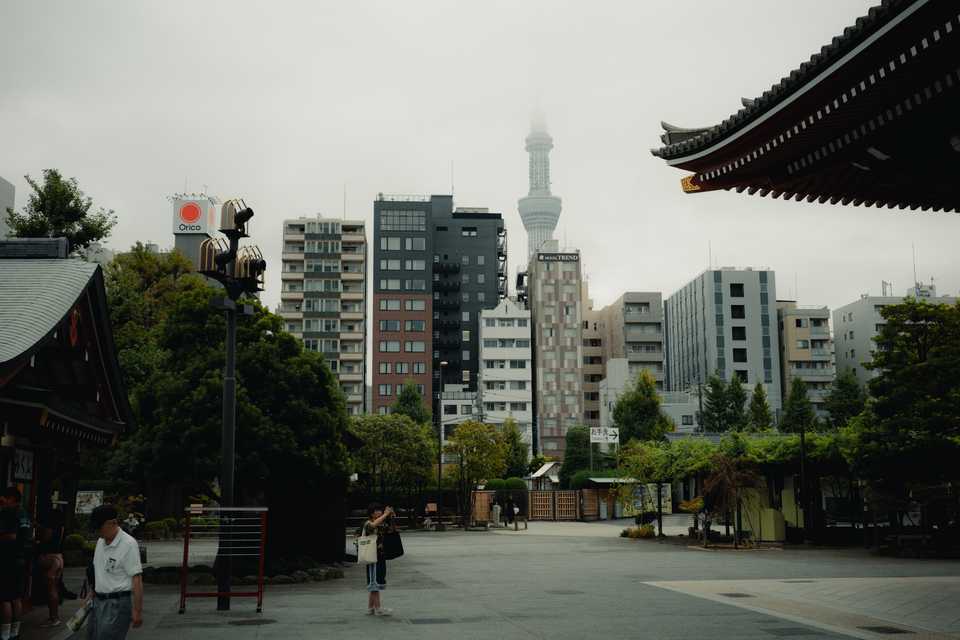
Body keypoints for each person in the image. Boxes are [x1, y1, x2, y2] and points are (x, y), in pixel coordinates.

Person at [87, 504, 143, 639]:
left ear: (113, 523)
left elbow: (137, 579)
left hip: (117, 603)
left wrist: (137, 611)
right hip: (98, 601)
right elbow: (98, 570)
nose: (98, 532)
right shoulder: (100, 542)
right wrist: (91, 593)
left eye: (100, 527)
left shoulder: (128, 544)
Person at [0, 487, 29, 640]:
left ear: (11, 498)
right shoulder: (24, 513)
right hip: (21, 558)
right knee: (16, 597)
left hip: (7, 559)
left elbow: (11, 536)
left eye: (4, 497)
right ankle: (15, 633)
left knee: (5, 598)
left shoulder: (9, 513)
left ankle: (4, 635)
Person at [36, 501, 66, 628]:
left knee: (51, 589)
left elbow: (46, 539)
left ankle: (53, 618)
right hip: (59, 557)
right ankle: (54, 617)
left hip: (51, 558)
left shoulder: (50, 527)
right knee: (54, 588)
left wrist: (40, 534)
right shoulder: (61, 528)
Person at [360, 503, 393, 616]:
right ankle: (378, 609)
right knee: (374, 583)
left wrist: (390, 516)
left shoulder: (381, 523)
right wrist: (385, 514)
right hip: (372, 557)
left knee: (374, 582)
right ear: (372, 513)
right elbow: (373, 526)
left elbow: (391, 530)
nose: (380, 512)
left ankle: (370, 608)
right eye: (377, 511)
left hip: (379, 556)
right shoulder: (368, 523)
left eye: (380, 510)